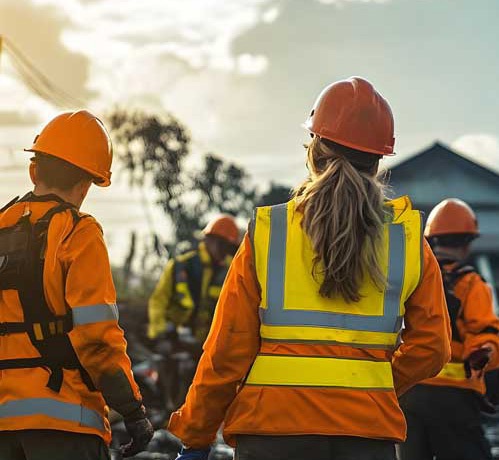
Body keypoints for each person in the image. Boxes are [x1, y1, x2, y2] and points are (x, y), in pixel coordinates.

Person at [168, 77, 451, 460]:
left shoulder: (269, 234)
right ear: (378, 161)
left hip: (272, 431)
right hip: (366, 435)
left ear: (315, 151)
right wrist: (373, 388)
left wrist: (197, 434)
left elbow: (228, 349)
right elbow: (433, 348)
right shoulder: (407, 241)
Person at [0, 110, 153, 459]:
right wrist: (133, 411)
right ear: (87, 182)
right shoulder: (78, 232)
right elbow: (96, 339)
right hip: (65, 427)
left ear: (33, 170)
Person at [399, 198, 499, 460]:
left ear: (432, 240)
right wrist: (487, 357)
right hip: (454, 398)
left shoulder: (411, 277)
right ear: (468, 244)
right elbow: (484, 338)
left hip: (409, 392)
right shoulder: (471, 284)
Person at [147, 215, 240, 345]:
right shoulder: (180, 266)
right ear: (209, 240)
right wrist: (161, 334)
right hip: (176, 342)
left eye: (230, 248)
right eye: (223, 245)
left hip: (211, 346)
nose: (226, 251)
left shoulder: (233, 272)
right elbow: (158, 301)